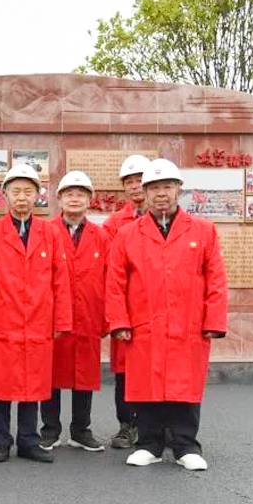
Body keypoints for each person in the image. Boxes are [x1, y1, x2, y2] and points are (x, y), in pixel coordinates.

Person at [106, 159, 228, 472]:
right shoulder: (128, 234)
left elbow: (216, 278)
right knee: (146, 385)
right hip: (143, 324)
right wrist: (118, 321)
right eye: (154, 188)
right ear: (145, 193)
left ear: (178, 190)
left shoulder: (203, 231)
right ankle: (150, 444)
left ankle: (186, 445)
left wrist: (214, 321)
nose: (161, 193)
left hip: (189, 324)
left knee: (185, 383)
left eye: (167, 187)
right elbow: (115, 282)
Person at [0, 163, 72, 463]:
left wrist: (61, 320)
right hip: (2, 320)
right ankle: (0, 441)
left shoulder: (50, 234)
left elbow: (60, 280)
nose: (22, 197)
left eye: (28, 191)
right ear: (5, 195)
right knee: (0, 384)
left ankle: (29, 440)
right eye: (16, 191)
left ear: (38, 195)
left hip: (39, 320)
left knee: (33, 384)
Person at [40, 171, 111, 453]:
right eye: (69, 194)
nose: (74, 199)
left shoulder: (101, 236)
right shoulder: (46, 231)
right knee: (51, 374)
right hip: (53, 315)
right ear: (59, 199)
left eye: (80, 194)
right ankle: (50, 430)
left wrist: (107, 318)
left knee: (85, 374)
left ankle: (81, 430)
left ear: (89, 200)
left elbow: (110, 279)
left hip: (89, 314)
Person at [102, 154, 151, 449]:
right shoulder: (114, 223)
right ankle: (127, 426)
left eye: (140, 180)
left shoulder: (165, 218)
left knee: (158, 367)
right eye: (129, 182)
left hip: (157, 307)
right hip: (127, 308)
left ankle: (160, 427)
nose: (135, 186)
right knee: (124, 370)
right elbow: (111, 270)